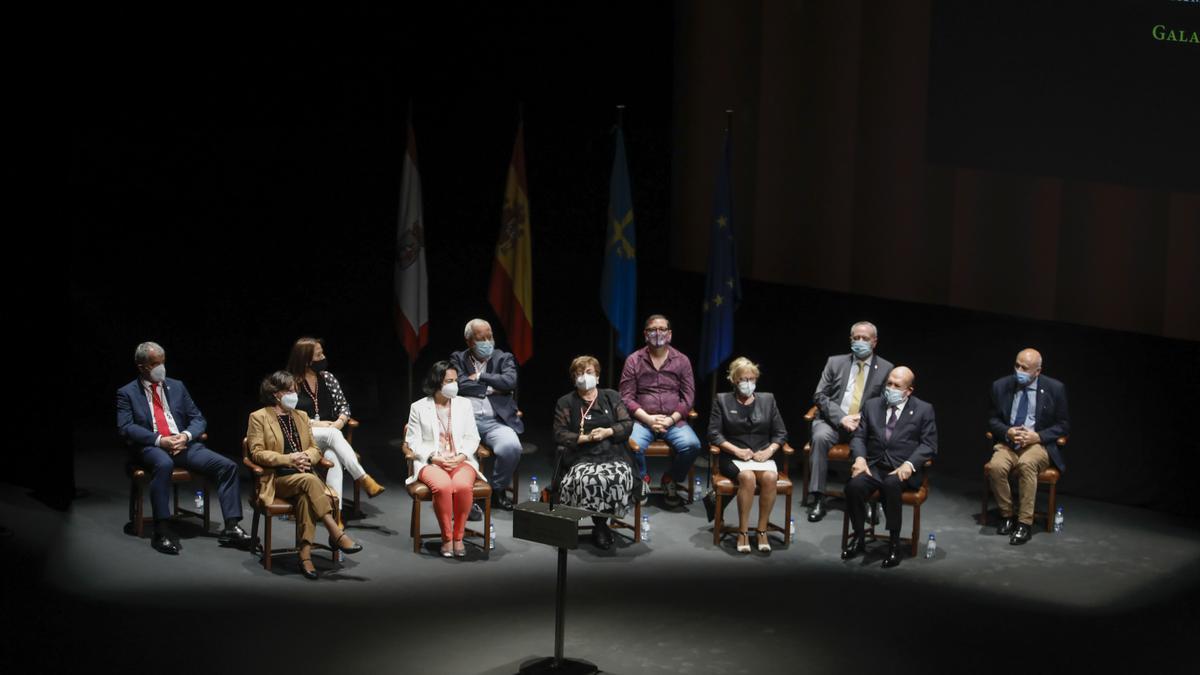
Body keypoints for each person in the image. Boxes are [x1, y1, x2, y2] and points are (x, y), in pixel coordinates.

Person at [116, 341, 251, 555]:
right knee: (164, 463)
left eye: (163, 362)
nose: (161, 367)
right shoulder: (127, 393)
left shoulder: (176, 386)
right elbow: (126, 427)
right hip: (154, 447)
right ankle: (162, 529)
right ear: (142, 366)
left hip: (183, 444)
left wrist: (185, 436)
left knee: (227, 466)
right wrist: (160, 440)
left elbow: (198, 418)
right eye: (155, 363)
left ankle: (231, 527)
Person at [247, 371, 362, 579]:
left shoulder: (300, 416)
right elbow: (257, 452)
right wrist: (289, 459)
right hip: (277, 479)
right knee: (310, 481)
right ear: (276, 394)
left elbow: (315, 449)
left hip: (303, 477)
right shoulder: (259, 417)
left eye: (295, 390)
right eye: (289, 390)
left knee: (305, 497)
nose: (294, 394)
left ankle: (305, 555)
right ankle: (335, 532)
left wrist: (305, 457)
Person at [842, 366, 937, 568]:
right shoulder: (872, 405)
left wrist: (910, 465)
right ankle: (859, 536)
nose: (891, 388)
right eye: (889, 383)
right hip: (875, 465)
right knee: (853, 486)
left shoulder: (923, 409)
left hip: (901, 468)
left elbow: (929, 444)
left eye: (897, 385)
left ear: (909, 390)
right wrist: (859, 459)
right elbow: (859, 436)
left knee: (891, 486)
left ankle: (894, 544)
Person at [807, 321, 894, 522]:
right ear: (850, 340)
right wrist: (842, 417)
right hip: (832, 421)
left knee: (876, 443)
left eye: (865, 338)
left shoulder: (886, 368)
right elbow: (819, 395)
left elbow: (885, 402)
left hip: (863, 425)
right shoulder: (835, 362)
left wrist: (862, 418)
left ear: (874, 342)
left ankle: (869, 500)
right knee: (819, 438)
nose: (860, 342)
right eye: (856, 338)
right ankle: (818, 497)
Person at [286, 337, 385, 510]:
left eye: (322, 353)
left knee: (333, 457)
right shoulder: (291, 383)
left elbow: (344, 406)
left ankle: (335, 512)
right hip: (301, 437)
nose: (323, 357)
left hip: (329, 437)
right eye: (318, 355)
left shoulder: (327, 378)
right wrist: (317, 425)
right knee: (332, 434)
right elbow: (288, 416)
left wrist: (339, 422)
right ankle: (363, 478)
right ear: (306, 360)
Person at [986, 348, 1070, 545]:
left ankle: (1024, 523)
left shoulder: (1055, 389)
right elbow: (992, 420)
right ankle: (1007, 515)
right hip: (1009, 443)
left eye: (1025, 368)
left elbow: (1063, 425)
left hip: (1037, 445)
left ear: (1037, 371)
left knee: (1026, 464)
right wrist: (1008, 431)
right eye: (1017, 365)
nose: (1019, 371)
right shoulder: (1000, 386)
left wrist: (1037, 436)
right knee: (996, 467)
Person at [551, 356, 637, 550]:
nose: (584, 377)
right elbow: (559, 433)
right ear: (574, 379)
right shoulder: (566, 402)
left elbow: (627, 424)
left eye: (589, 372)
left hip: (611, 452)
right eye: (579, 373)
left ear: (597, 377)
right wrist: (587, 438)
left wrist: (608, 432)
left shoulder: (611, 396)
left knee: (618, 477)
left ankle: (601, 525)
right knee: (588, 479)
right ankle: (591, 524)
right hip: (580, 454)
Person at [707, 357, 788, 553]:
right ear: (734, 380)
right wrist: (736, 451)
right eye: (743, 379)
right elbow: (714, 433)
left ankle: (762, 531)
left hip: (762, 456)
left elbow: (780, 433)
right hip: (733, 455)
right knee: (747, 477)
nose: (748, 384)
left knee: (770, 477)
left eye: (752, 379)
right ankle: (743, 532)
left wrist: (769, 451)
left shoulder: (768, 400)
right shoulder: (722, 400)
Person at [619, 314, 701, 507]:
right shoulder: (633, 360)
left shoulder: (682, 360)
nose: (658, 333)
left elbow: (688, 397)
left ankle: (670, 479)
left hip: (673, 420)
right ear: (645, 334)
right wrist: (648, 419)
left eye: (662, 329)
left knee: (693, 445)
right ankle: (642, 480)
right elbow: (626, 397)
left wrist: (670, 420)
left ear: (669, 334)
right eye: (653, 330)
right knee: (630, 445)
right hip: (642, 419)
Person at [405, 360, 484, 558]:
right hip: (431, 461)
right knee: (443, 487)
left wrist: (462, 456)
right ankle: (447, 538)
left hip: (461, 460)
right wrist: (433, 456)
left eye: (455, 380)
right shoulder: (419, 407)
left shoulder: (464, 405)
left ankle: (459, 538)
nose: (454, 385)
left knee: (463, 487)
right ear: (437, 382)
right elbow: (412, 441)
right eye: (449, 381)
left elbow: (472, 436)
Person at [450, 319, 523, 516]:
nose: (488, 342)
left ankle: (497, 490)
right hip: (465, 423)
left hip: (495, 422)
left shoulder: (503, 357)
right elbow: (460, 385)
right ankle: (467, 494)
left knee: (512, 447)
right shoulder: (458, 358)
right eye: (481, 338)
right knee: (460, 453)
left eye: (490, 337)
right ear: (469, 341)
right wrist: (493, 389)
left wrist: (481, 378)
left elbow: (510, 381)